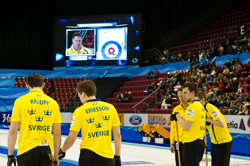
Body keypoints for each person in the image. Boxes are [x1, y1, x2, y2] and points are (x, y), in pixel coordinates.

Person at [59, 80, 121, 166]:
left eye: (79, 95)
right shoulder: (111, 108)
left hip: (87, 156)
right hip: (106, 157)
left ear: (83, 94)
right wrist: (117, 157)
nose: (80, 98)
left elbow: (71, 138)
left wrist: (62, 151)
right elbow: (117, 135)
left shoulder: (79, 111)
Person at [7, 73, 61, 166]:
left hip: (26, 150)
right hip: (46, 151)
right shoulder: (53, 103)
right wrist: (55, 157)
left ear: (27, 85)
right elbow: (57, 134)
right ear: (43, 85)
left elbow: (12, 131)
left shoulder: (20, 101)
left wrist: (10, 155)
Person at [170, 83, 205, 166]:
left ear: (192, 93)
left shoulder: (192, 107)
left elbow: (185, 126)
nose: (183, 96)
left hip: (190, 143)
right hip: (198, 141)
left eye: (185, 93)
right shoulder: (200, 106)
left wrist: (177, 116)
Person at [197, 91, 232, 166]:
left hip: (223, 142)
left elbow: (221, 124)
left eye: (197, 101)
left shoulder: (210, 108)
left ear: (202, 100)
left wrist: (208, 119)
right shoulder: (201, 110)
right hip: (214, 142)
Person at [170, 87, 188, 166]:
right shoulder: (176, 109)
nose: (181, 98)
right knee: (179, 162)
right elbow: (173, 127)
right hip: (178, 141)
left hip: (189, 141)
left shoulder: (192, 108)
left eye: (182, 96)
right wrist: (171, 142)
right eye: (179, 96)